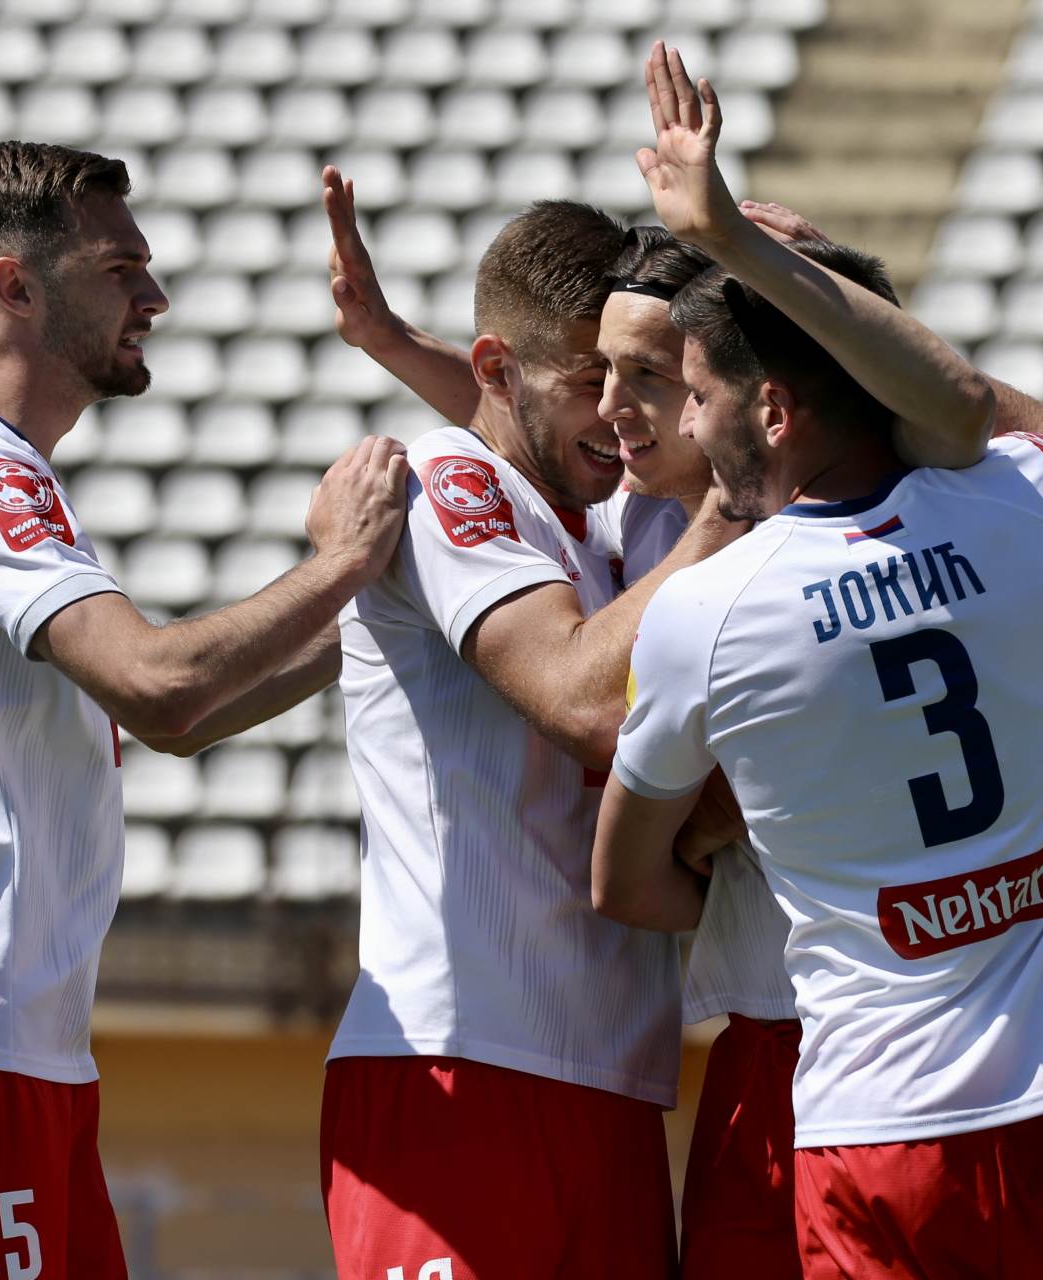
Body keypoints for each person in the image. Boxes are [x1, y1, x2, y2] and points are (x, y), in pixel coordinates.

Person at [594, 46, 1043, 1278]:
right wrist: (798, 263)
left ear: (773, 409)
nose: (685, 419)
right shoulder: (1027, 516)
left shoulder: (705, 614)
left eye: (703, 389)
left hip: (875, 1136)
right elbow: (1028, 422)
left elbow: (626, 882)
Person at [0, 141, 410, 1280]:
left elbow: (182, 715)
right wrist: (344, 561)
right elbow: (158, 680)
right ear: (15, 285)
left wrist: (397, 614)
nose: (155, 298)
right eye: (123, 268)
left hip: (3, 1040)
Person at [318, 187, 754, 1279]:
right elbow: (579, 699)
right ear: (498, 372)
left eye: (635, 378)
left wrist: (391, 338)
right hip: (459, 1067)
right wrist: (722, 508)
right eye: (588, 379)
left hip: (608, 1077)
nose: (618, 410)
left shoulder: (601, 516)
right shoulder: (450, 478)